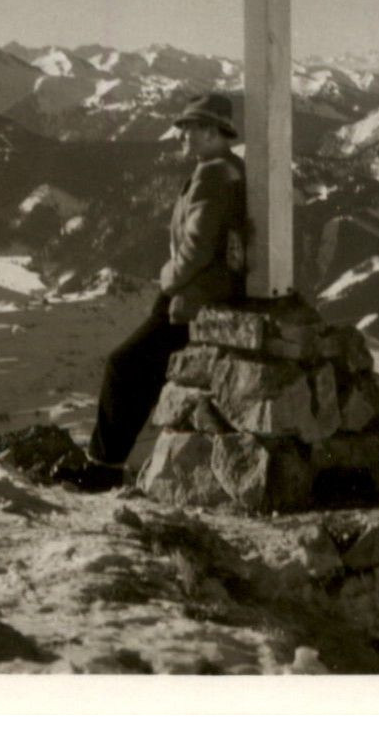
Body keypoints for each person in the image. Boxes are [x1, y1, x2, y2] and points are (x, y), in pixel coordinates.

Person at [78, 92, 247, 491]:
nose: (180, 138)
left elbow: (197, 245)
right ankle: (107, 464)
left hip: (191, 295)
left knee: (123, 367)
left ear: (209, 131)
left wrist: (168, 277)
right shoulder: (229, 168)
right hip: (203, 291)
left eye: (187, 129)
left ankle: (102, 469)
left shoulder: (212, 174)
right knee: (141, 371)